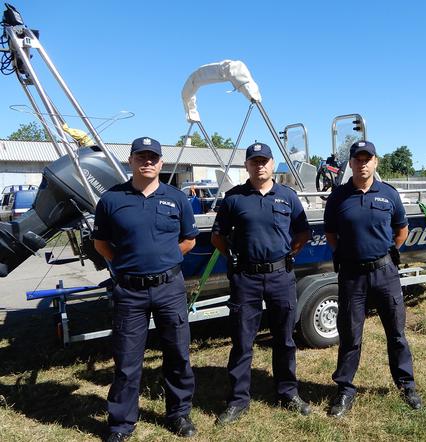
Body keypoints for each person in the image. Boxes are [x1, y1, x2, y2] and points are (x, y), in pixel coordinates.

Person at [93, 137, 199, 442]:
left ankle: (179, 414)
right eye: (141, 157)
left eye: (153, 157)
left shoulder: (177, 198)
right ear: (131, 161)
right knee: (127, 360)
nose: (147, 162)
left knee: (178, 354)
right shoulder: (112, 200)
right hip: (130, 292)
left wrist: (166, 260)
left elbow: (189, 239)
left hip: (169, 288)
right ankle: (121, 424)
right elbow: (100, 243)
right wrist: (125, 266)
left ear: (161, 163)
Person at [211, 142, 312, 424]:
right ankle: (239, 399)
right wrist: (234, 258)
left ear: (272, 163)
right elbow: (217, 237)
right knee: (243, 341)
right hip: (246, 277)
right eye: (254, 161)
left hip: (281, 276)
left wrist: (285, 255)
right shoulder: (234, 198)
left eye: (264, 161)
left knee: (284, 338)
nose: (260, 166)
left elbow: (302, 233)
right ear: (247, 166)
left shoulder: (288, 196)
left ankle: (287, 391)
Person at [323, 140, 422, 418]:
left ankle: (407, 386)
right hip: (352, 276)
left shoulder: (388, 194)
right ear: (351, 163)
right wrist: (346, 253)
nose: (363, 163)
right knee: (350, 335)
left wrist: (386, 254)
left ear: (375, 162)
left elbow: (401, 231)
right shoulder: (338, 197)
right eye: (358, 159)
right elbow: (331, 233)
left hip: (384, 273)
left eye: (368, 159)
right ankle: (344, 390)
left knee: (397, 334)